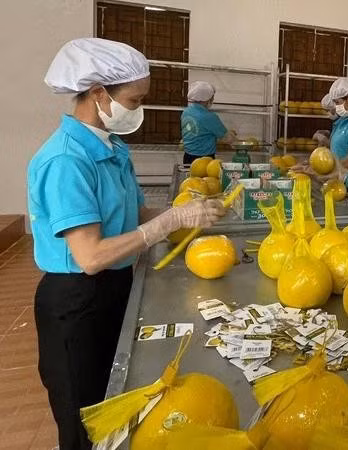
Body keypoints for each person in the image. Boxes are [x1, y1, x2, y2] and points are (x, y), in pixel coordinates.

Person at [30, 38, 227, 450]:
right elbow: (90, 256)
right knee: (84, 420)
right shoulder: (66, 160)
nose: (138, 109)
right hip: (76, 302)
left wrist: (188, 212)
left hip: (115, 286)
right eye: (134, 100)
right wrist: (170, 220)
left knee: (115, 397)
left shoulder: (111, 147)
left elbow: (135, 214)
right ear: (99, 94)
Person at [180, 80, 237, 164]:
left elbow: (200, 133)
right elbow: (227, 139)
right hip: (204, 159)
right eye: (212, 97)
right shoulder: (209, 117)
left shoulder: (186, 112)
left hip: (187, 156)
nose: (213, 99)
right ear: (206, 99)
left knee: (191, 176)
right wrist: (232, 135)